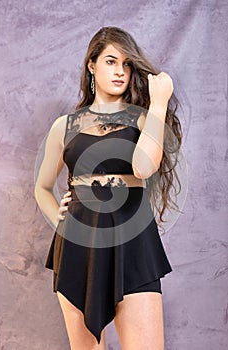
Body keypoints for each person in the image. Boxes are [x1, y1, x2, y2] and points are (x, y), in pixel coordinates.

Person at [35, 26, 182, 350]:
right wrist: (58, 217)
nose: (120, 71)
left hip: (133, 242)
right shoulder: (65, 126)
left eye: (128, 64)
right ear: (92, 65)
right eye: (112, 61)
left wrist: (158, 103)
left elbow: (144, 167)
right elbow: (42, 187)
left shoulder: (144, 119)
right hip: (77, 244)